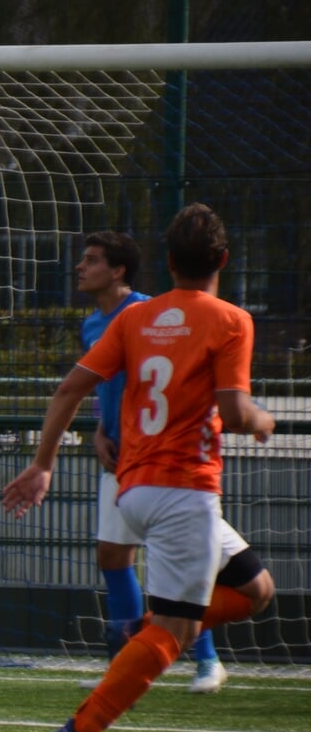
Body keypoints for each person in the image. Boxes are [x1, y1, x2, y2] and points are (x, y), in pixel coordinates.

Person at [4, 204, 274, 732]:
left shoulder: (135, 318)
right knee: (177, 631)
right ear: (224, 260)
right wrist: (262, 419)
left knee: (256, 588)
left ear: (169, 261)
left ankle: (139, 628)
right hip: (183, 492)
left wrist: (43, 465)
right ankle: (85, 729)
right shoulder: (232, 320)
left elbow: (69, 389)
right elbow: (234, 411)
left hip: (134, 486)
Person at [73, 232, 227, 694]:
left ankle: (207, 658)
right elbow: (106, 386)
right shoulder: (91, 324)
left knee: (181, 568)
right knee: (112, 554)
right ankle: (124, 662)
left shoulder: (148, 313)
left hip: (164, 462)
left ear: (118, 270)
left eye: (92, 260)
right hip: (119, 458)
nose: (81, 267)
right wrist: (100, 431)